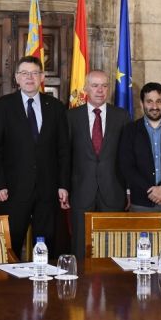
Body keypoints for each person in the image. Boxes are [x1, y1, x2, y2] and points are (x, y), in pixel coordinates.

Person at [0, 56, 70, 258]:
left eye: (34, 73)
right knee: (11, 245)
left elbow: (63, 149)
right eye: (24, 73)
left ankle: (43, 286)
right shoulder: (3, 106)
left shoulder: (56, 107)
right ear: (17, 77)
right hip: (13, 190)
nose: (29, 77)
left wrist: (63, 185)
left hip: (47, 190)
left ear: (42, 76)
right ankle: (11, 286)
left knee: (46, 245)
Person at [119, 82, 161, 257]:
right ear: (142, 104)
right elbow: (127, 166)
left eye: (159, 101)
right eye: (149, 101)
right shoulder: (130, 130)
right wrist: (152, 190)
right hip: (142, 202)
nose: (154, 106)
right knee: (143, 254)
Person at [67, 70, 130, 258]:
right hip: (81, 191)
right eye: (95, 85)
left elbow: (127, 156)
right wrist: (64, 187)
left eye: (104, 85)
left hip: (113, 190)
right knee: (80, 248)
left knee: (112, 247)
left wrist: (128, 190)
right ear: (86, 88)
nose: (100, 90)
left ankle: (111, 287)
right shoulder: (71, 117)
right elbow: (65, 156)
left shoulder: (122, 116)